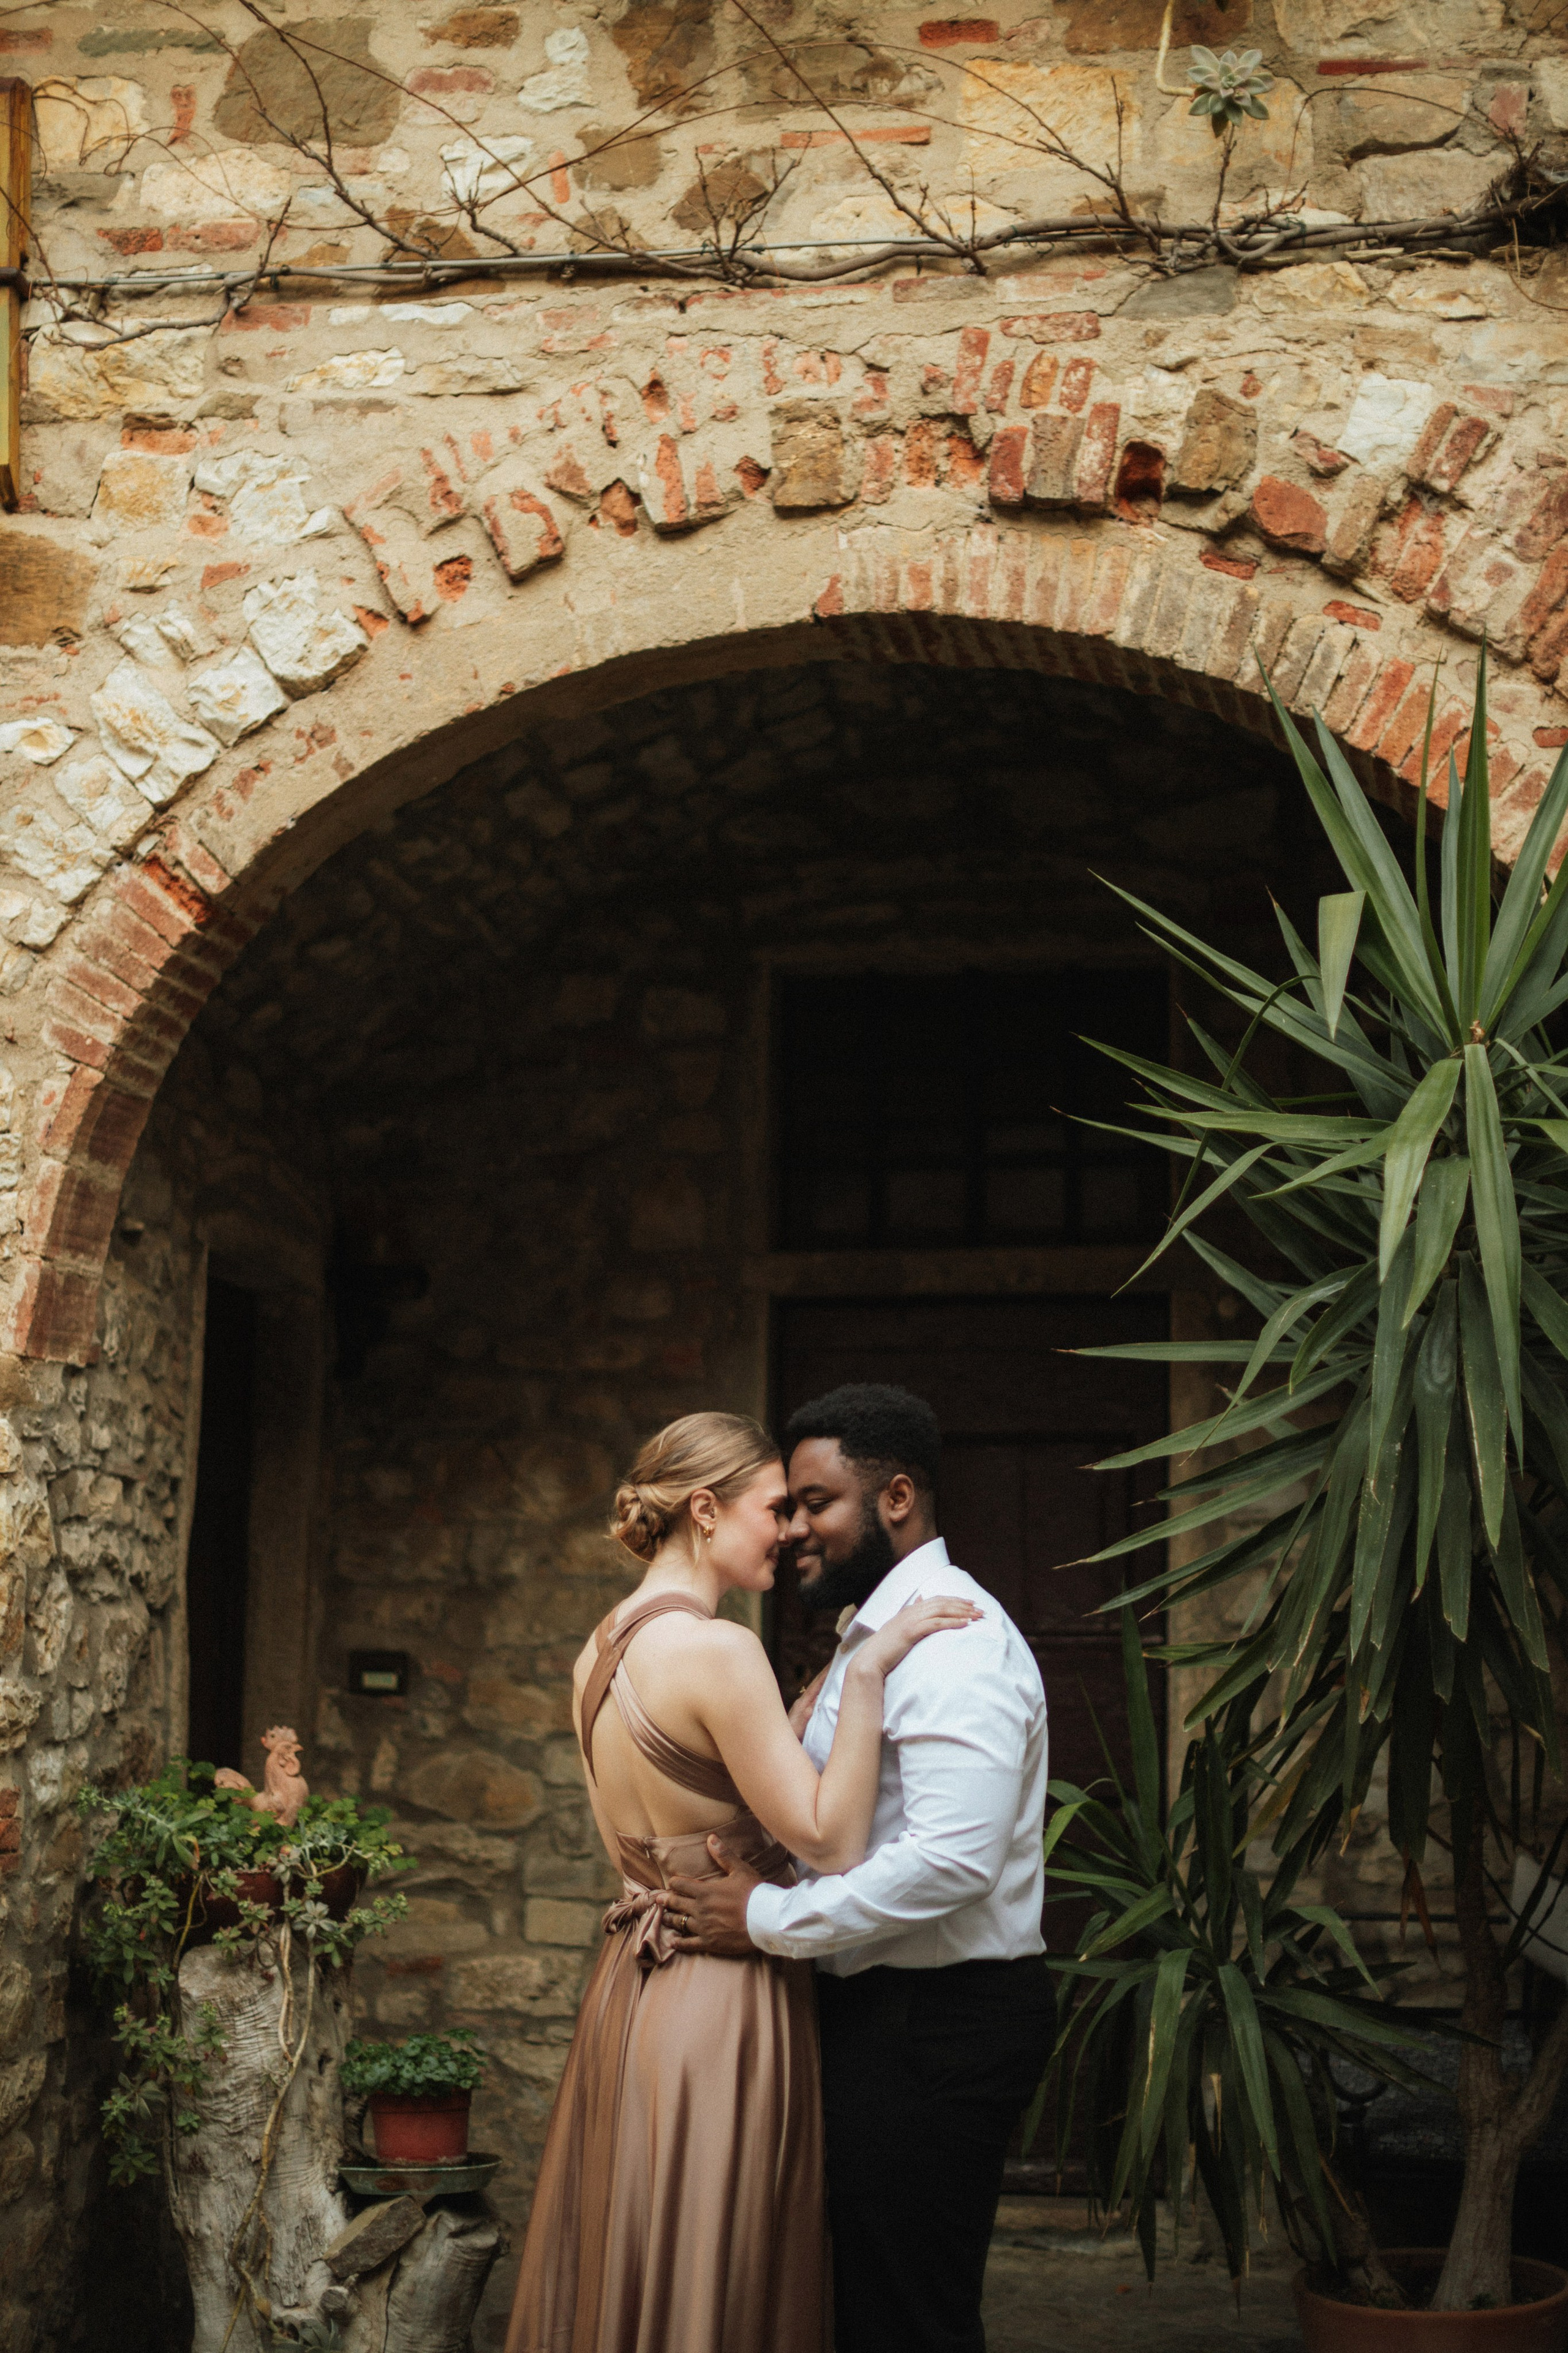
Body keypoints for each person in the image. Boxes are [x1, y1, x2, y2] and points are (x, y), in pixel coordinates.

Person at [503, 1408, 980, 2353]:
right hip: (723, 1993)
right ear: (705, 1509)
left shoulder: (600, 1647)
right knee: (719, 2268)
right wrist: (869, 1669)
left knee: (644, 2246)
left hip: (632, 1991)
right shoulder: (719, 1650)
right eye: (773, 1508)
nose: (791, 1529)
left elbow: (681, 1814)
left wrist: (793, 1722)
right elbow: (830, 1839)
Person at [669, 1384, 1054, 2353]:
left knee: (908, 2318)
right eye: (788, 1506)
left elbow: (954, 1859)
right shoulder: (876, 1638)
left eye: (816, 1502)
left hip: (937, 2025)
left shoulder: (953, 1641)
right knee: (867, 2305)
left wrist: (767, 1920)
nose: (793, 1527)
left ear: (897, 1497)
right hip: (885, 2018)